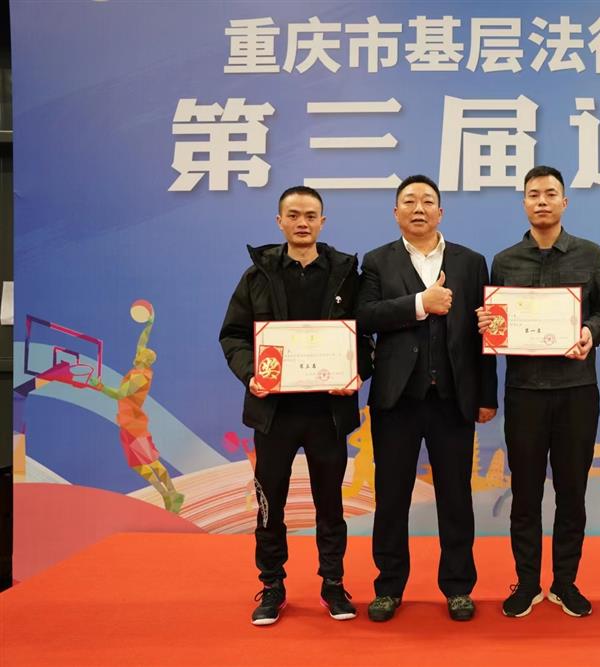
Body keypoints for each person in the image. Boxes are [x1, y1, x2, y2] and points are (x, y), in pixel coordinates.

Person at [219, 185, 371, 626]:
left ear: (323, 222)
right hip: (274, 415)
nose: (302, 222)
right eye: (293, 215)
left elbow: (365, 336)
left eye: (310, 215)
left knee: (331, 507)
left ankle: (333, 584)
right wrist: (251, 374)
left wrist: (356, 372)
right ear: (279, 221)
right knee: (270, 505)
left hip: (328, 413)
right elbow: (233, 335)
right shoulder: (257, 276)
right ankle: (272, 586)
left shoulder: (346, 275)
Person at [357, 174, 497, 622]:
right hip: (396, 400)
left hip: (453, 398)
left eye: (427, 201)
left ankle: (458, 587)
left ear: (441, 212)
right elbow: (365, 316)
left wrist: (487, 394)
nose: (419, 208)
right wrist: (421, 302)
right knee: (391, 497)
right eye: (409, 201)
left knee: (456, 497)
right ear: (395, 212)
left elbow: (485, 332)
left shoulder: (471, 262)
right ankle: (388, 587)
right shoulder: (377, 261)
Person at [479, 165, 600, 618]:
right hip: (524, 392)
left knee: (572, 492)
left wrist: (591, 331)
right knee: (525, 493)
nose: (542, 201)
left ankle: (565, 582)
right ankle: (527, 582)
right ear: (524, 203)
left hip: (577, 390)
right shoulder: (505, 261)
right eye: (534, 194)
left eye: (550, 193)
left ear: (564, 202)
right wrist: (489, 324)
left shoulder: (591, 254)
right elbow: (497, 322)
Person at [88, 307, 184, 514]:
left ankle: (173, 493)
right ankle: (166, 495)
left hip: (135, 423)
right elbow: (142, 342)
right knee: (137, 464)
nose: (139, 351)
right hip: (126, 422)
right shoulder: (137, 369)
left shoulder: (141, 376)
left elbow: (120, 394)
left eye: (142, 353)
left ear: (145, 360)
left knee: (151, 462)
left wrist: (99, 386)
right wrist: (149, 324)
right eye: (140, 351)